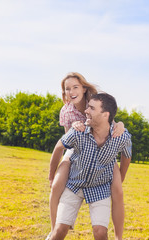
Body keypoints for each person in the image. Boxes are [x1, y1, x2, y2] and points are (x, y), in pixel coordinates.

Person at [47, 73, 127, 240]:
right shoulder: (66, 110)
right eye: (67, 89)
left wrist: (120, 124)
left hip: (103, 148)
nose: (71, 91)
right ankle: (54, 229)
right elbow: (65, 140)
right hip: (76, 148)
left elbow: (110, 120)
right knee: (56, 186)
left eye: (75, 87)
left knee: (118, 189)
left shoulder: (95, 101)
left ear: (83, 88)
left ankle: (119, 236)